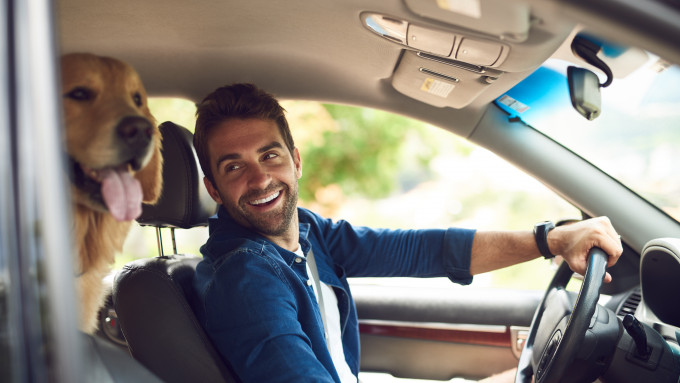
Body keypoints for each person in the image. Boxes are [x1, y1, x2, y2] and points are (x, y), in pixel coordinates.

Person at [191, 83, 623, 383]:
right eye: (234, 167)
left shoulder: (305, 232)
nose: (260, 178)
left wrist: (550, 239)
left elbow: (421, 249)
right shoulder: (245, 277)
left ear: (296, 160)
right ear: (213, 188)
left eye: (270, 155)